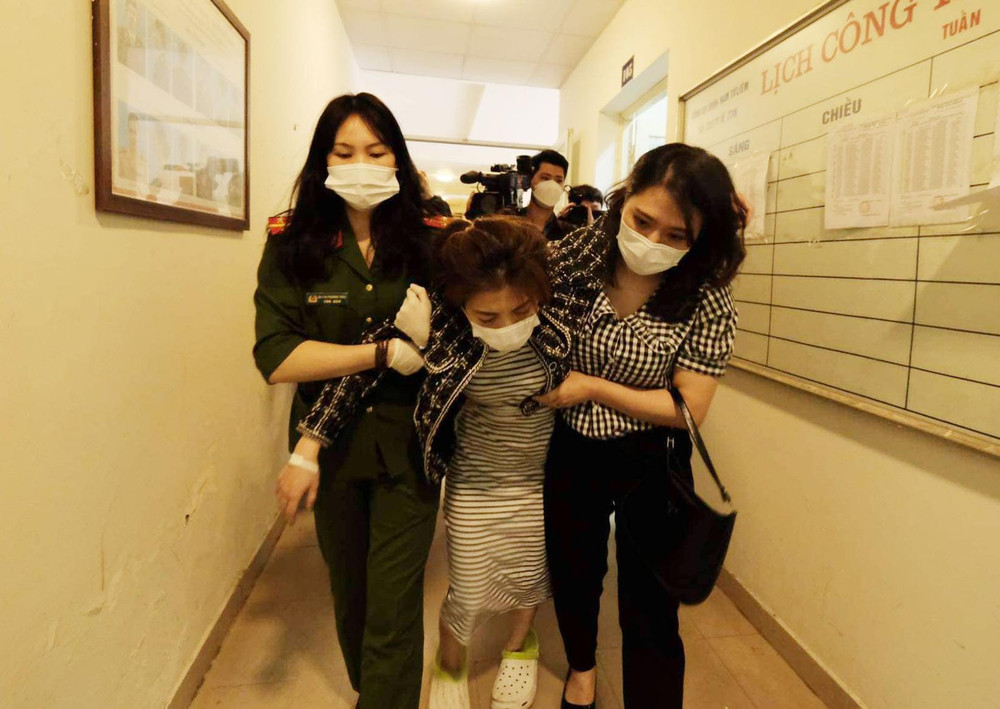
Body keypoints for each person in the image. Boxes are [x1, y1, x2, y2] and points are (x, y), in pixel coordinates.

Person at [291, 213, 608, 709]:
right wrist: (308, 447)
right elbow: (358, 373)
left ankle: (519, 646)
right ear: (462, 304)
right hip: (476, 471)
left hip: (544, 470)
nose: (507, 326)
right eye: (488, 317)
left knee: (531, 572)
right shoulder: (436, 318)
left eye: (521, 310)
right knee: (471, 582)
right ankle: (451, 660)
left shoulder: (560, 291)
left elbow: (609, 230)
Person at [534, 143, 746, 709]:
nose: (652, 242)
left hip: (653, 454)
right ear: (624, 197)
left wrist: (592, 386)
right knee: (574, 571)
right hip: (572, 445)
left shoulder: (706, 295)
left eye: (676, 235)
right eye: (642, 221)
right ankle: (582, 670)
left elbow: (687, 409)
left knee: (651, 602)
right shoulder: (578, 255)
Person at [252, 92, 439, 709]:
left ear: (398, 159)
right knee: (351, 593)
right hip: (330, 449)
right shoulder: (292, 241)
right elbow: (278, 357)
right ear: (322, 161)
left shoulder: (432, 239)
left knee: (394, 601)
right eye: (344, 152)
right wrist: (380, 353)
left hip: (410, 445)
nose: (362, 164)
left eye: (376, 152)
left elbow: (459, 338)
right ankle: (373, 691)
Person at [502, 149, 573, 241]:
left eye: (558, 180)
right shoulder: (508, 224)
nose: (552, 185)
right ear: (530, 180)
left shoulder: (568, 234)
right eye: (545, 178)